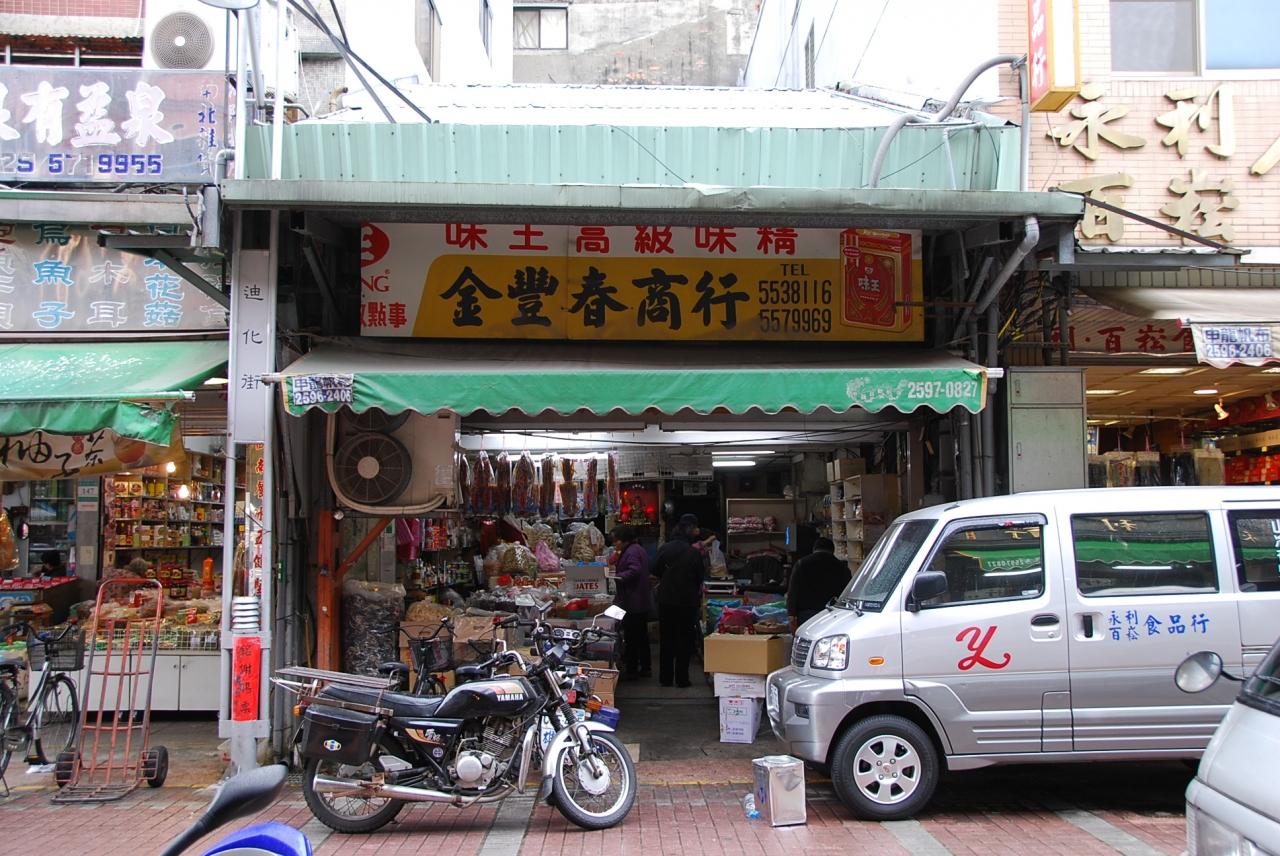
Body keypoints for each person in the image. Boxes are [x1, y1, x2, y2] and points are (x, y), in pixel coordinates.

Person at [652, 513, 705, 687]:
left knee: (667, 639)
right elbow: (700, 576)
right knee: (684, 640)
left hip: (666, 599)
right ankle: (682, 679)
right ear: (691, 530)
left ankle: (666, 678)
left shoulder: (665, 548)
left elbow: (654, 569)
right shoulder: (693, 552)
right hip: (687, 601)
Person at [608, 524, 652, 678]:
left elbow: (634, 570)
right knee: (640, 635)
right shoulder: (635, 549)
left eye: (617, 540)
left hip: (633, 600)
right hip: (637, 599)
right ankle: (644, 667)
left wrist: (617, 577)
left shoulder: (632, 551)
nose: (615, 543)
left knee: (633, 636)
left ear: (624, 539)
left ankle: (633, 669)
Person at [786, 537, 851, 632]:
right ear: (833, 551)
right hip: (832, 614)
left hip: (806, 614)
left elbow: (793, 591)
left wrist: (791, 615)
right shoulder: (842, 567)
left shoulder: (801, 564)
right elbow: (848, 593)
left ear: (814, 549)